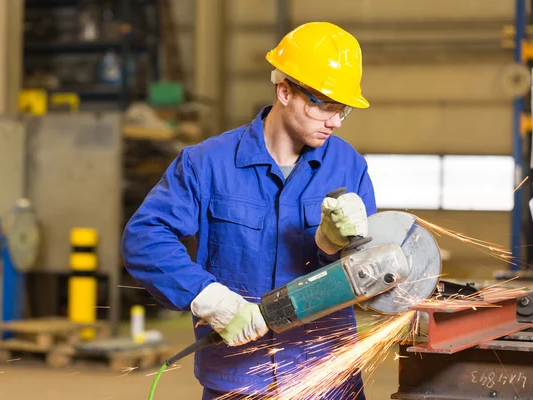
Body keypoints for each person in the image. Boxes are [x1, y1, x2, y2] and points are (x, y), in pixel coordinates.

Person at [122, 22, 376, 399]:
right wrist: (209, 298)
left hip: (326, 377)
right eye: (324, 105)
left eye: (343, 111)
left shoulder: (348, 166)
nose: (335, 121)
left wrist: (335, 246)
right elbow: (144, 238)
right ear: (285, 91)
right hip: (239, 380)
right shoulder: (207, 163)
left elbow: (371, 275)